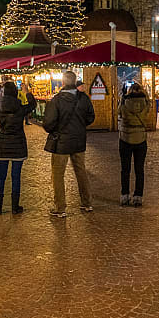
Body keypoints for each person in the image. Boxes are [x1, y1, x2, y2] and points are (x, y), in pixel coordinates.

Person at [41, 70, 95, 218]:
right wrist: (79, 126)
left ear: (63, 83)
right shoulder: (83, 98)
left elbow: (48, 123)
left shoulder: (57, 100)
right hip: (78, 140)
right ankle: (87, 202)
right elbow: (91, 117)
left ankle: (60, 207)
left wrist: (54, 129)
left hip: (61, 142)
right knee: (81, 171)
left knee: (58, 174)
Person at [0, 81, 36, 214]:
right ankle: (14, 207)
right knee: (16, 177)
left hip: (3, 145)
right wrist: (26, 92)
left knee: (1, 176)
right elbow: (33, 105)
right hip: (18, 145)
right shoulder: (20, 108)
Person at [118, 81, 151, 206]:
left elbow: (118, 111)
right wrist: (145, 94)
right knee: (139, 169)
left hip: (125, 139)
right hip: (141, 139)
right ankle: (138, 196)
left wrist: (123, 96)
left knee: (125, 169)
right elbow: (149, 104)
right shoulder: (145, 104)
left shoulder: (125, 102)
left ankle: (124, 195)